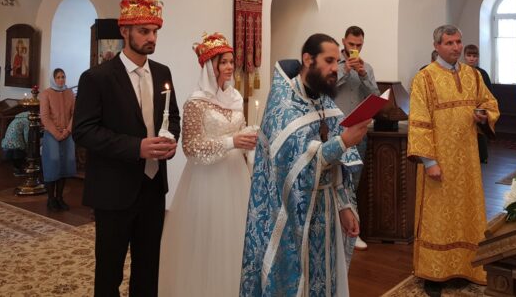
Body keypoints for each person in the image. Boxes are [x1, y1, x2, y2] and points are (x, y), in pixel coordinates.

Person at [240, 33, 370, 296]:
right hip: (290, 216)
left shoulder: (323, 100)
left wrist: (344, 205)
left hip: (326, 210)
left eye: (336, 61)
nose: (335, 69)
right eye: (328, 61)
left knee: (325, 279)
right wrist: (344, 141)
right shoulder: (283, 106)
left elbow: (338, 162)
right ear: (308, 59)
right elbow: (296, 165)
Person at [73, 0, 180, 297]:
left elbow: (172, 116)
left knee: (148, 267)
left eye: (154, 31)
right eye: (144, 31)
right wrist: (137, 147)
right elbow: (84, 131)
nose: (151, 38)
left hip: (153, 186)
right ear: (125, 31)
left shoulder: (162, 72)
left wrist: (171, 139)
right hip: (114, 189)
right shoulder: (97, 77)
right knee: (110, 271)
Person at [159, 33, 257, 296]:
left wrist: (249, 138)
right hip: (207, 179)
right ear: (209, 66)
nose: (229, 67)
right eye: (223, 62)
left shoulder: (235, 97)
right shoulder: (196, 102)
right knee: (208, 239)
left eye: (231, 62)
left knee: (235, 236)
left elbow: (239, 134)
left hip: (236, 176)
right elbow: (191, 147)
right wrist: (232, 141)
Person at [408, 25, 499, 297]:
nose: (456, 47)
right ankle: (434, 273)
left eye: (458, 42)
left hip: (468, 159)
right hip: (440, 160)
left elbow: (490, 103)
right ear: (437, 46)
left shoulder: (473, 75)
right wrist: (429, 162)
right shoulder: (424, 78)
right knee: (438, 215)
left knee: (467, 212)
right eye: (449, 43)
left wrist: (484, 116)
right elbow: (419, 122)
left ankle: (466, 266)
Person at [334, 25, 379, 252]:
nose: (355, 49)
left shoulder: (367, 68)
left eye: (359, 45)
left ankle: (353, 231)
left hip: (358, 132)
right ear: (344, 42)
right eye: (351, 44)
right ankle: (335, 229)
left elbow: (375, 96)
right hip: (335, 132)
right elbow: (326, 90)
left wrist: (362, 75)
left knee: (354, 180)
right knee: (334, 180)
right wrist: (345, 71)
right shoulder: (334, 64)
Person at [40, 68, 77, 211]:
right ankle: (51, 199)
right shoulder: (46, 93)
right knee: (52, 164)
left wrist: (67, 130)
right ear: (53, 79)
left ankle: (60, 198)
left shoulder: (69, 93)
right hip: (52, 134)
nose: (61, 79)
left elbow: (75, 113)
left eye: (63, 77)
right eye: (58, 77)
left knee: (65, 165)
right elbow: (45, 117)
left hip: (67, 134)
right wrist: (57, 133)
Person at [1, 111, 29, 176]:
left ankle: (16, 169)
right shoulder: (27, 121)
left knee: (16, 154)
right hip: (16, 143)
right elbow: (26, 135)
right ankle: (18, 171)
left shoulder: (18, 118)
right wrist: (28, 145)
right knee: (19, 153)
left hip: (8, 141)